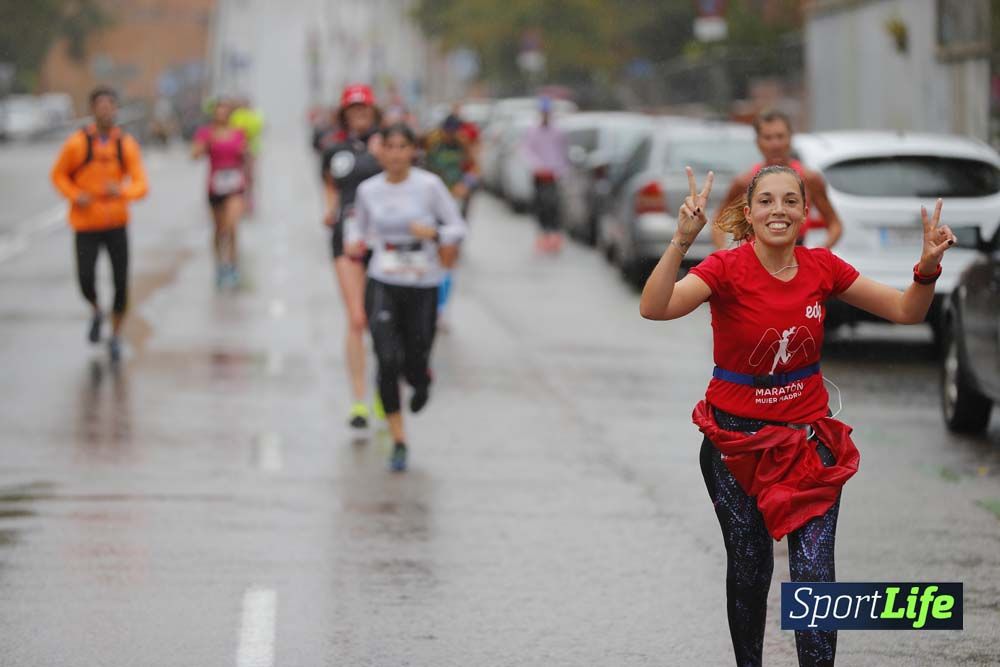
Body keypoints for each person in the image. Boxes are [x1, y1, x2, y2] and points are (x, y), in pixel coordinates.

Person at [640, 165, 955, 666]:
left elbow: (905, 311)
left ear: (806, 213)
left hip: (807, 446)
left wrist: (927, 268)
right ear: (750, 212)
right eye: (766, 201)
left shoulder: (822, 267)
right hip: (734, 447)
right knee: (751, 568)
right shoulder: (725, 269)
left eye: (790, 201)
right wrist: (681, 240)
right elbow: (655, 308)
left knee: (813, 573)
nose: (778, 211)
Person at [346, 124, 468, 472]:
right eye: (391, 147)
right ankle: (399, 439)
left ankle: (422, 379)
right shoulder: (369, 190)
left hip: (423, 281)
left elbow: (458, 227)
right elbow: (359, 226)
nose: (397, 154)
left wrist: (435, 232)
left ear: (413, 151)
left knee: (414, 358)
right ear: (380, 150)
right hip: (383, 278)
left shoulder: (428, 186)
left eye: (404, 147)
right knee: (386, 358)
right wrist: (355, 242)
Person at [50, 85, 149, 362]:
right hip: (86, 225)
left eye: (111, 105)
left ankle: (116, 335)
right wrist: (75, 195)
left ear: (116, 109)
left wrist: (123, 192)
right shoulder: (77, 144)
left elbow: (141, 184)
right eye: (101, 106)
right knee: (85, 279)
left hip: (116, 224)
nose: (106, 111)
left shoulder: (125, 144)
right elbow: (58, 175)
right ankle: (96, 310)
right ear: (92, 110)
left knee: (121, 283)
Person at [319, 84, 384, 429]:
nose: (359, 115)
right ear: (344, 113)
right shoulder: (335, 149)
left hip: (384, 239)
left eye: (364, 109)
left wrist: (382, 153)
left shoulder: (389, 144)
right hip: (347, 239)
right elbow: (330, 183)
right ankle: (359, 400)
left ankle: (383, 391)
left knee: (382, 323)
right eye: (353, 109)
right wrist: (330, 209)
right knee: (357, 318)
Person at [712, 109, 843, 250]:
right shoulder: (744, 182)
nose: (775, 144)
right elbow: (718, 223)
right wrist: (725, 254)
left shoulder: (809, 179)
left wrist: (819, 254)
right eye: (768, 138)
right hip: (754, 260)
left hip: (795, 257)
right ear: (758, 142)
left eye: (780, 137)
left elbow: (835, 224)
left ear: (791, 138)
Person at [421, 113, 477, 328]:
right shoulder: (432, 144)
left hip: (454, 205)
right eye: (448, 131)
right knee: (432, 255)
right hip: (432, 207)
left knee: (449, 256)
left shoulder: (463, 145)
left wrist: (466, 184)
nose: (451, 135)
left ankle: (441, 308)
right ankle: (429, 303)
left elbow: (474, 169)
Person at [191, 97, 248, 288]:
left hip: (235, 186)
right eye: (219, 110)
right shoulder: (206, 133)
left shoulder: (239, 133)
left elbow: (246, 156)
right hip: (215, 186)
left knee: (232, 227)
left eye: (225, 110)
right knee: (219, 229)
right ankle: (219, 265)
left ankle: (232, 265)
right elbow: (195, 155)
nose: (222, 114)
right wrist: (205, 145)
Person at [519, 97, 569, 254]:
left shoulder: (558, 131)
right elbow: (526, 150)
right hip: (539, 175)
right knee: (540, 205)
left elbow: (562, 153)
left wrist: (560, 170)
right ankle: (542, 234)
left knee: (553, 205)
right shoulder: (533, 130)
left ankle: (554, 234)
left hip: (554, 175)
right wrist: (537, 167)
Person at [229, 97, 265, 216]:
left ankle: (248, 203)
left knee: (249, 178)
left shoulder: (253, 115)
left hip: (250, 151)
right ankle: (242, 203)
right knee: (242, 179)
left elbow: (257, 128)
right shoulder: (238, 115)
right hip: (238, 151)